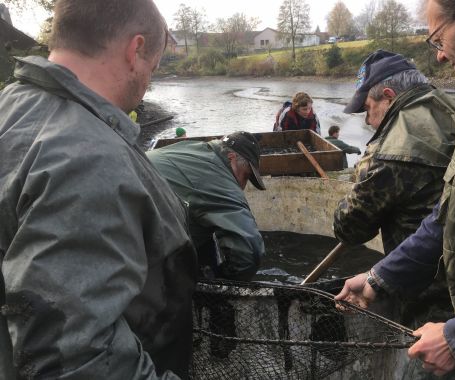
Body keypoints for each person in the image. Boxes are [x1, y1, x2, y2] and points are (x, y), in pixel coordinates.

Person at [0, 1, 198, 379]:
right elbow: (71, 359)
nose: (145, 86)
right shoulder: (86, 158)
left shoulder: (11, 108)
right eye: (152, 70)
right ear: (135, 50)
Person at [336, 0, 455, 379]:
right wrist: (379, 278)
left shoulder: (394, 147)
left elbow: (351, 225)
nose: (439, 57)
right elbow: (449, 213)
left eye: (438, 38)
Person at [333, 49, 455, 254]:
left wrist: (361, 173)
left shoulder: (388, 152)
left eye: (368, 108)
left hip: (424, 277)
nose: (367, 120)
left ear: (388, 97)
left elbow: (348, 229)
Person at [147, 131, 266, 281]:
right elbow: (250, 252)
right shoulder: (219, 182)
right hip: (144, 253)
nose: (242, 186)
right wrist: (223, 280)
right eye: (246, 176)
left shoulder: (191, 149)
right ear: (232, 158)